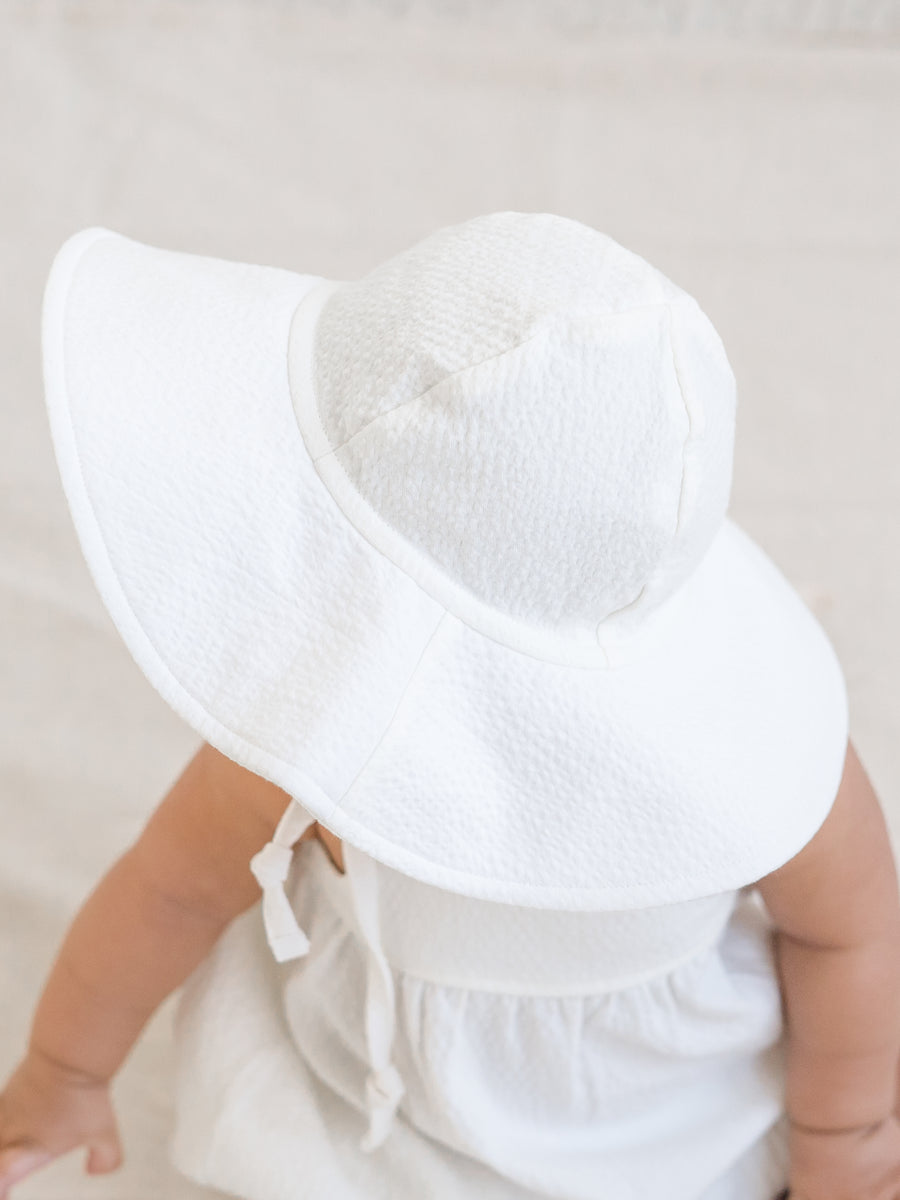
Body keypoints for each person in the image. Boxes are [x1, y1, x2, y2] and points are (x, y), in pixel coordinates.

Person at [0, 211, 898, 1200]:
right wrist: (66, 1072)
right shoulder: (314, 735)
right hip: (370, 1101)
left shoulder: (756, 763)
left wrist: (845, 1139)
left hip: (659, 1126)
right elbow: (170, 887)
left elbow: (850, 933)